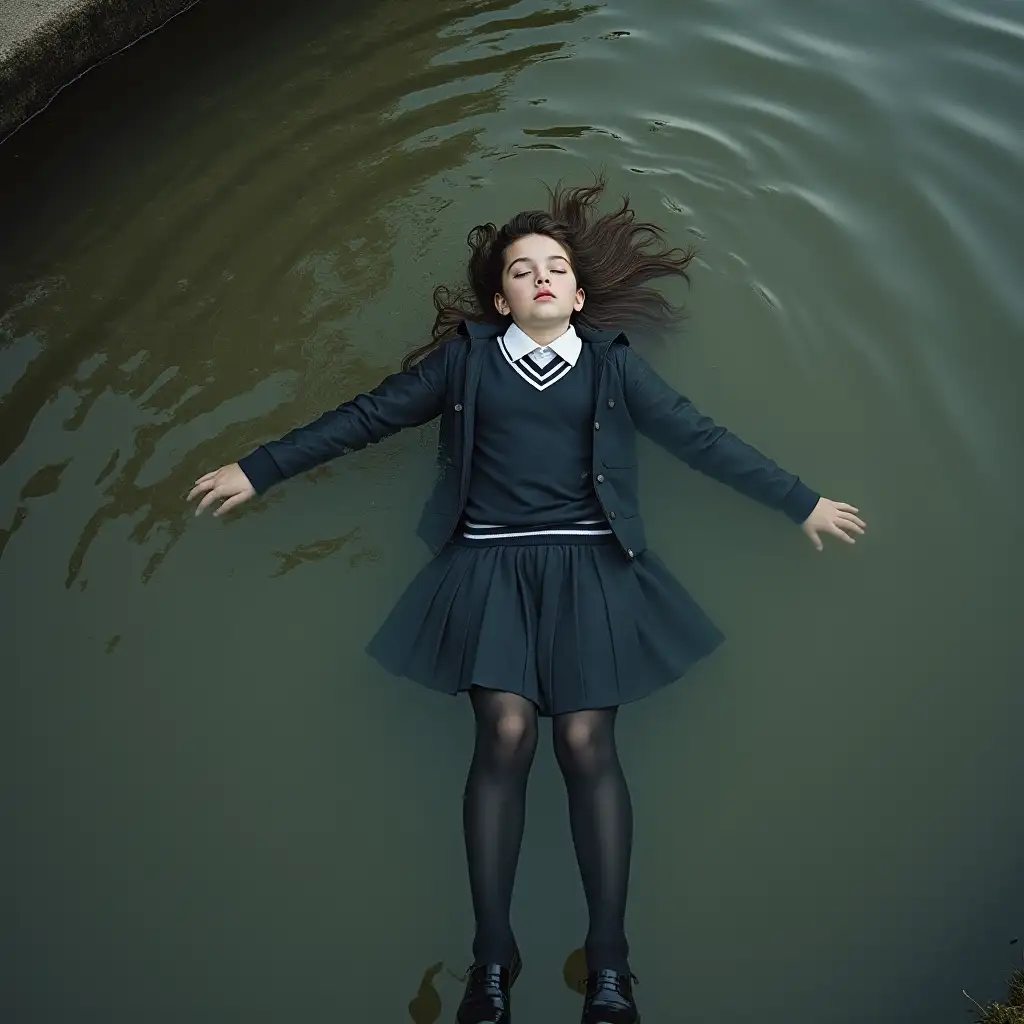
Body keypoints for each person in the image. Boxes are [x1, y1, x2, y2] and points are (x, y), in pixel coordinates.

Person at [188, 179, 866, 1024]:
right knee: (505, 729)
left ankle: (611, 967)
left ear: (579, 295)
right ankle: (492, 961)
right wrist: (260, 468)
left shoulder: (613, 364)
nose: (541, 277)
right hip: (489, 566)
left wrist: (798, 500)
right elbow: (366, 417)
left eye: (555, 268)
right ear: (498, 295)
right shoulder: (465, 361)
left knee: (585, 740)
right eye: (521, 269)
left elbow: (701, 439)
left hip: (593, 566)